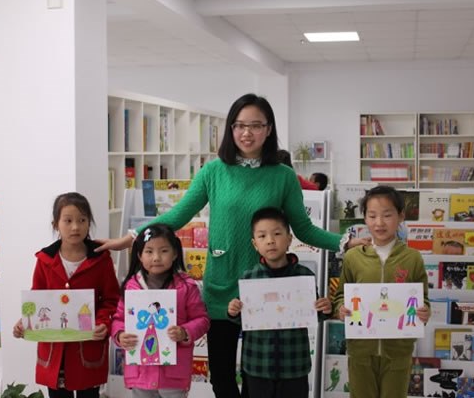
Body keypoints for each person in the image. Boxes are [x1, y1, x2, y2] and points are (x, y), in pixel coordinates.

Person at [95, 93, 366, 398]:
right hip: (221, 287)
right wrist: (131, 237)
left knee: (256, 378)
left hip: (264, 290)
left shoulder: (284, 177)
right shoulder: (214, 171)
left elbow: (303, 229)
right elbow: (178, 215)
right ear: (231, 129)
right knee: (221, 378)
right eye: (239, 125)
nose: (247, 133)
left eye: (255, 125)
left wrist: (346, 242)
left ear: (268, 129)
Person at [13, 192, 120, 398]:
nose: (75, 227)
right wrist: (24, 321)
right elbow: (36, 298)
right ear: (56, 224)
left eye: (82, 220)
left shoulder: (101, 259)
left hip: (87, 346)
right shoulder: (45, 260)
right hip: (54, 349)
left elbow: (111, 299)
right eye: (68, 221)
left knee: (89, 394)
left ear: (89, 223)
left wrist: (103, 323)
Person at [333, 185, 430, 398]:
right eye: (372, 216)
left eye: (387, 215)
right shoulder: (353, 257)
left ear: (401, 216)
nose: (379, 223)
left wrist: (424, 312)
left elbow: (422, 298)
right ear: (365, 218)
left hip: (398, 352)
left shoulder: (412, 258)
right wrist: (340, 308)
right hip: (361, 351)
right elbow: (341, 295)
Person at [227, 207, 332, 398]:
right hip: (258, 365)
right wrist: (234, 312)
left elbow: (313, 314)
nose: (270, 240)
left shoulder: (304, 276)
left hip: (294, 366)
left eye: (277, 234)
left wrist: (323, 309)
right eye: (262, 236)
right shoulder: (249, 278)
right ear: (255, 243)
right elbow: (243, 320)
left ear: (289, 239)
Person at [111, 224, 210, 397]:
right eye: (149, 251)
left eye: (164, 251)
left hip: (173, 372)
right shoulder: (131, 287)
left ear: (175, 253)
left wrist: (185, 332)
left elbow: (202, 320)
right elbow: (119, 319)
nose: (156, 258)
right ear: (139, 255)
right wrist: (120, 335)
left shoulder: (186, 286)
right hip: (140, 371)